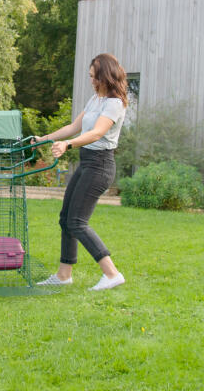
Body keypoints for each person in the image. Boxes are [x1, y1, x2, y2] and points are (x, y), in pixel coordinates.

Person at [35, 53, 128, 291]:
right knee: (66, 219)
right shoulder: (95, 99)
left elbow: (96, 133)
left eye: (93, 76)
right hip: (87, 162)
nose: (91, 80)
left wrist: (68, 145)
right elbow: (74, 127)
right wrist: (43, 139)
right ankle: (64, 275)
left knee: (77, 221)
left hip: (100, 165)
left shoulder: (114, 104)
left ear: (104, 75)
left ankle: (112, 273)